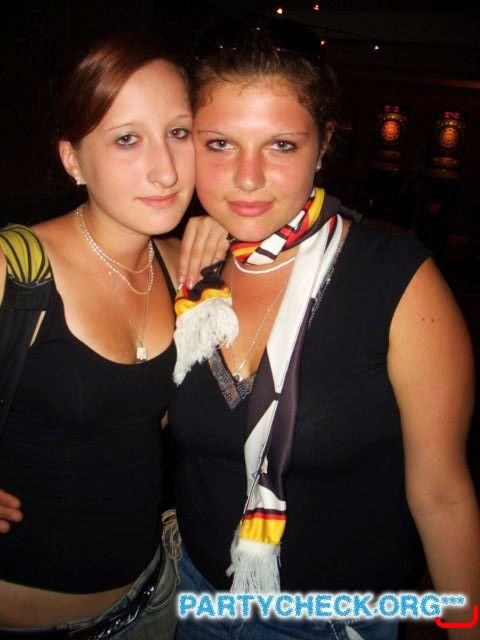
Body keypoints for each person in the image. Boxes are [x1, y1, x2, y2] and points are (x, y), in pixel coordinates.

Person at [166, 17, 480, 640]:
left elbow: (442, 497)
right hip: (199, 598)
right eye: (220, 144)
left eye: (281, 145)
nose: (248, 177)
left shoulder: (395, 279)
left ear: (324, 144)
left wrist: (466, 628)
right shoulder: (186, 277)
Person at [0, 31, 227, 639]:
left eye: (178, 132)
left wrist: (227, 232)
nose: (165, 169)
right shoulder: (15, 268)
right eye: (127, 139)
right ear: (73, 159)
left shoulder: (185, 270)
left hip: (154, 601)